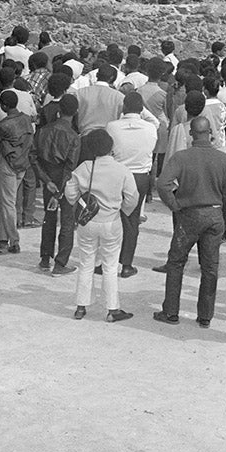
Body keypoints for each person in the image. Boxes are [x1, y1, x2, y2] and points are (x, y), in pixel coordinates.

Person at [153, 116, 226, 327]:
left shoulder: (181, 157)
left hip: (188, 215)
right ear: (210, 134)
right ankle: (205, 316)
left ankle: (171, 311)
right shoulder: (224, 159)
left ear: (191, 134)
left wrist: (174, 204)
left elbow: (163, 184)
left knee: (176, 261)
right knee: (210, 267)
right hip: (215, 215)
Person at [62, 129, 138, 322]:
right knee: (110, 266)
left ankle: (81, 307)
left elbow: (70, 192)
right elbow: (132, 197)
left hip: (88, 222)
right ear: (110, 146)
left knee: (86, 263)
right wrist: (123, 209)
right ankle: (112, 310)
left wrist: (77, 201)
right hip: (111, 222)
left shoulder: (84, 167)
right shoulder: (121, 170)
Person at [107, 92, 158, 278]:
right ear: (142, 109)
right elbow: (157, 123)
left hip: (116, 175)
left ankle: (106, 262)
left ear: (124, 107)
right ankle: (126, 264)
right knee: (132, 220)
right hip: (139, 177)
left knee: (110, 218)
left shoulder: (112, 126)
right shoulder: (150, 128)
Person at [33, 93, 82, 274]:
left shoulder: (43, 131)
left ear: (59, 110)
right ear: (75, 112)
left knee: (49, 218)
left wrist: (46, 181)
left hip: (48, 178)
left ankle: (45, 258)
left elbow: (33, 157)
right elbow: (70, 166)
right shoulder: (74, 137)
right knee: (67, 221)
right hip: (65, 181)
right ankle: (60, 263)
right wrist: (59, 189)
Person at [0, 90, 35, 256]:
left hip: (8, 164)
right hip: (22, 163)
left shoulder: (4, 125)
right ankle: (3, 241)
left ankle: (13, 240)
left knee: (7, 204)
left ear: (3, 106)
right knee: (9, 203)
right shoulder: (26, 119)